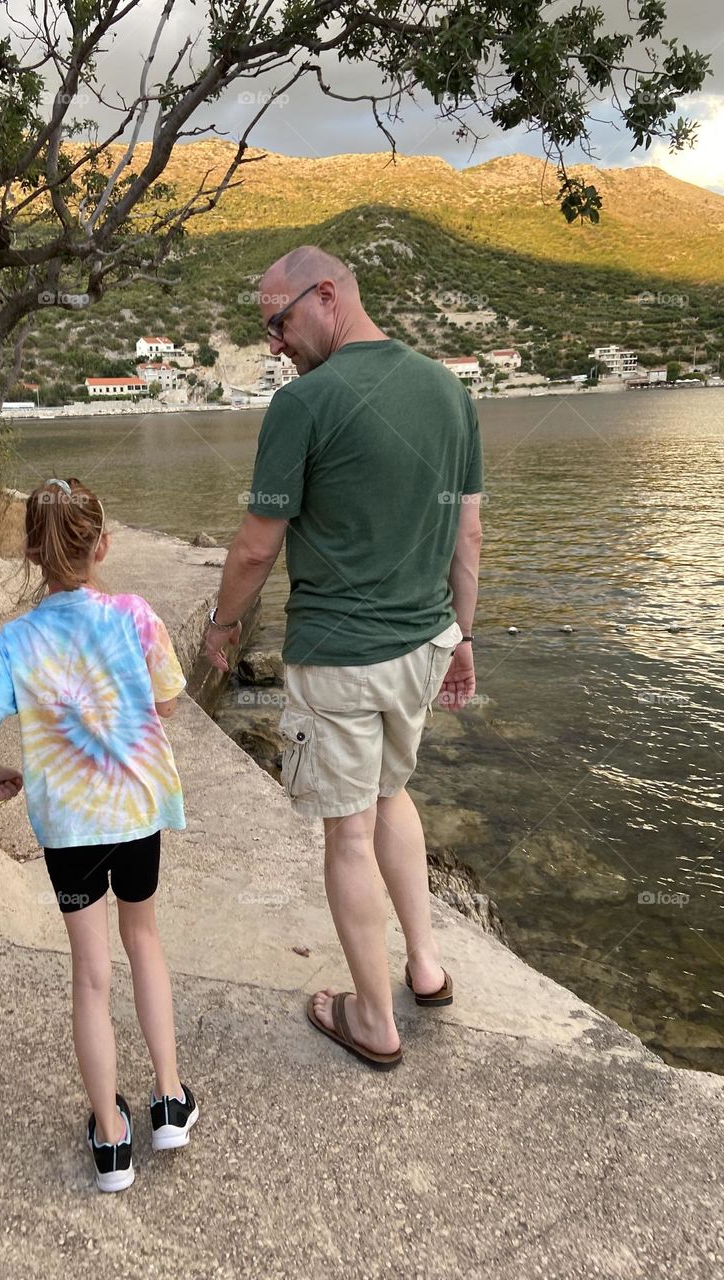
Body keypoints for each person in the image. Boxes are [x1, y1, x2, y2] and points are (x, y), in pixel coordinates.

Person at [204, 246, 483, 1070]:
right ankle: (425, 969)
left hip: (342, 658)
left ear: (325, 297)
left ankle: (372, 1018)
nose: (275, 345)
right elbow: (466, 533)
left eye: (278, 323)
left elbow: (257, 548)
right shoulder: (449, 391)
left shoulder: (305, 405)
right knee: (394, 793)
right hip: (424, 645)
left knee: (348, 833)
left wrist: (223, 627)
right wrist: (464, 637)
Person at [0, 477, 198, 1191]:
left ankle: (110, 1138)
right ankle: (168, 1100)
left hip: (69, 830)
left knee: (91, 977)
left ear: (32, 552)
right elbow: (167, 698)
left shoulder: (15, 640)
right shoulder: (134, 614)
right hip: (135, 812)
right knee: (144, 942)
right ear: (102, 545)